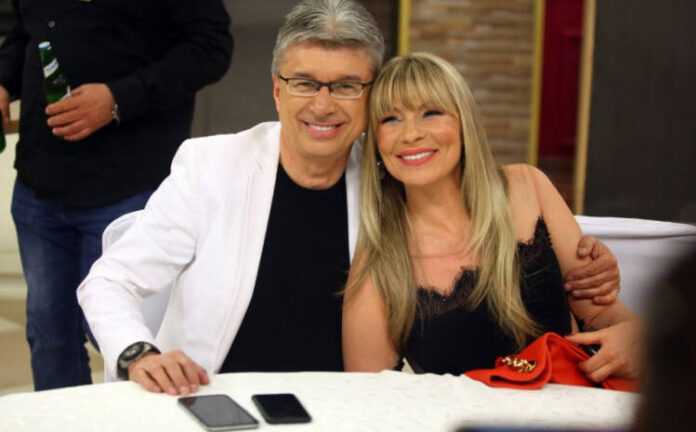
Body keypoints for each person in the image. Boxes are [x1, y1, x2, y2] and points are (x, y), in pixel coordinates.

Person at [78, 0, 620, 397]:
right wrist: (137, 352)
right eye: (304, 83)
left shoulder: (394, 179)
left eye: (345, 86)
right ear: (276, 90)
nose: (323, 104)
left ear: (370, 96)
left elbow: (477, 233)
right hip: (217, 397)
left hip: (341, 407)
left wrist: (586, 266)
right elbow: (109, 281)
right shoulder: (212, 167)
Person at [342, 52, 641, 382]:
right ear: (376, 141)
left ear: (464, 123)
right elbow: (366, 391)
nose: (410, 134)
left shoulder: (528, 187)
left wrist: (633, 337)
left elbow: (602, 313)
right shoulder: (378, 257)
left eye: (431, 113)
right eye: (390, 119)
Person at [0, 1, 233, 390]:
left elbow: (211, 48)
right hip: (41, 183)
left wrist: (119, 98)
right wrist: (4, 79)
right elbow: (28, 31)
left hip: (128, 183)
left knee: (126, 338)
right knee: (49, 335)